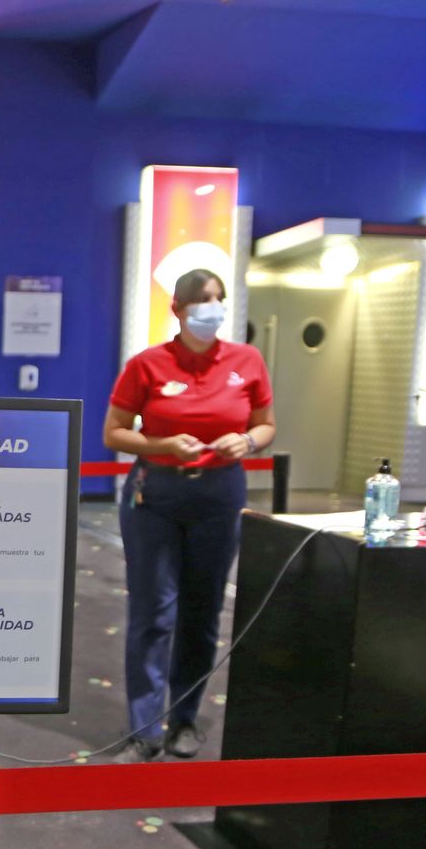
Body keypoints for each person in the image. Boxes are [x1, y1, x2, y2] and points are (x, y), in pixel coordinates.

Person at [103, 268, 276, 763]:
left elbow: (266, 425)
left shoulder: (247, 360)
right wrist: (161, 444)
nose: (212, 309)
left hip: (219, 496)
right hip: (155, 496)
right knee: (153, 613)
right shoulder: (148, 365)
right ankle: (144, 728)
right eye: (201, 301)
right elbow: (113, 433)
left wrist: (244, 441)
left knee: (202, 614)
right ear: (177, 310)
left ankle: (183, 719)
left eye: (219, 299)